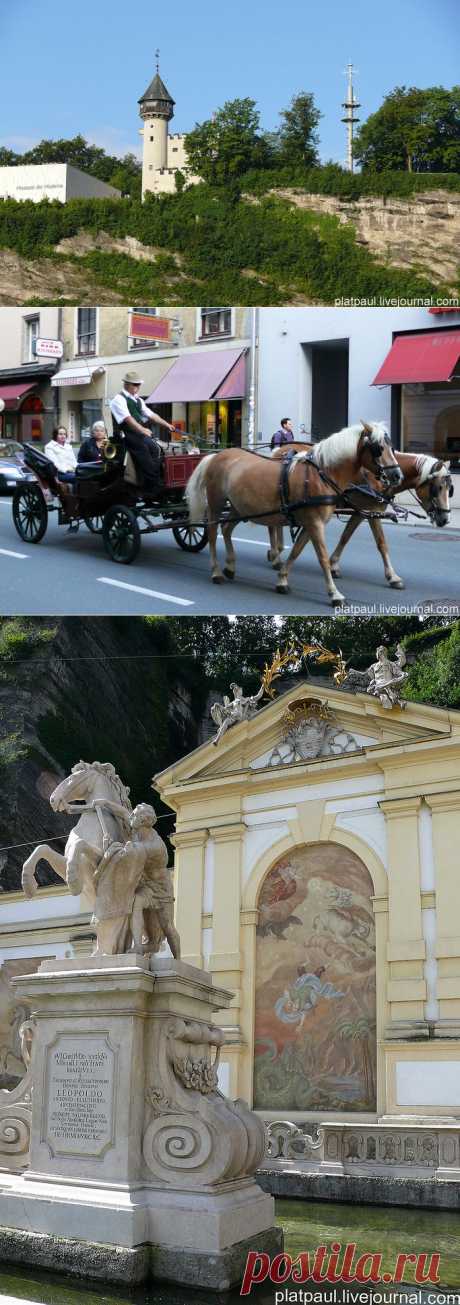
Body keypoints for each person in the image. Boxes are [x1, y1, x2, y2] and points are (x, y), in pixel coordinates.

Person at [110, 371, 175, 496]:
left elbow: (151, 415)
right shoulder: (118, 399)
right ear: (126, 384)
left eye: (138, 384)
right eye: (135, 384)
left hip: (139, 434)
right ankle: (151, 488)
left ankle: (153, 481)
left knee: (156, 450)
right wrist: (143, 430)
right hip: (125, 435)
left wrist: (166, 425)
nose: (137, 387)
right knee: (145, 454)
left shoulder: (138, 400)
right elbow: (128, 419)